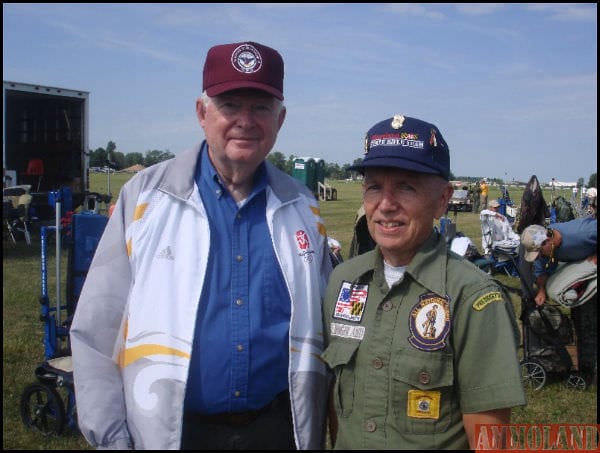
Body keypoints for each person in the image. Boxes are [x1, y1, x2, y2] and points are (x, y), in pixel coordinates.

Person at [70, 41, 333, 450]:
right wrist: (111, 437)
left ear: (280, 120)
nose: (246, 121)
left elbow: (326, 329)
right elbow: (94, 329)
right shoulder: (144, 197)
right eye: (230, 105)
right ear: (201, 113)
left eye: (261, 107)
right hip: (172, 433)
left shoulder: (302, 206)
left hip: (276, 429)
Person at [321, 114, 526, 450]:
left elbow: (490, 440)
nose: (386, 205)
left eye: (406, 186)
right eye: (374, 186)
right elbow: (336, 405)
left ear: (443, 199)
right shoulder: (344, 280)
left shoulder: (471, 297)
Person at [520, 219, 597, 385]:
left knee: (588, 323)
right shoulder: (546, 249)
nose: (539, 256)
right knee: (582, 321)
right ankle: (586, 369)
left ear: (547, 241)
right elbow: (541, 272)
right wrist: (541, 290)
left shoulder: (583, 233)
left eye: (540, 251)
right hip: (586, 275)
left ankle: (588, 370)